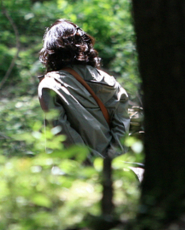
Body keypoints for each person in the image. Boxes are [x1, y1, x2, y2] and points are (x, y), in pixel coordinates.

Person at [37, 19, 130, 159]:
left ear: (50, 51)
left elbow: (65, 135)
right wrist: (110, 166)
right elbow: (122, 129)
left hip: (76, 174)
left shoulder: (50, 85)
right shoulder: (109, 80)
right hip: (114, 170)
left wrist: (92, 168)